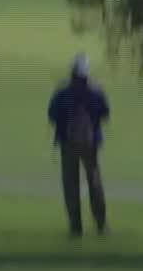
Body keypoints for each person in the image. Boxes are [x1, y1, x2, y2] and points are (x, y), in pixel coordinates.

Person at [47, 53, 111, 237]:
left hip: (67, 144)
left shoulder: (62, 92)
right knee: (95, 183)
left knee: (70, 184)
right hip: (91, 144)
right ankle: (101, 224)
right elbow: (105, 113)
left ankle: (75, 226)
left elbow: (52, 114)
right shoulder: (96, 92)